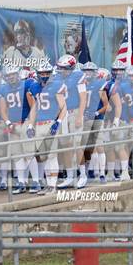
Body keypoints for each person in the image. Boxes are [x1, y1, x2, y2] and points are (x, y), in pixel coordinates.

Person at [27, 62, 67, 195]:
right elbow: (34, 108)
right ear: (38, 74)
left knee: (51, 156)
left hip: (50, 123)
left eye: (47, 74)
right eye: (42, 74)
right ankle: (49, 185)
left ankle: (52, 186)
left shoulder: (55, 86)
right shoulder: (34, 87)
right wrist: (30, 125)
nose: (44, 76)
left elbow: (63, 108)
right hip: (39, 124)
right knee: (43, 157)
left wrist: (58, 122)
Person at [0, 65, 40, 194]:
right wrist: (7, 122)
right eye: (9, 75)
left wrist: (30, 124)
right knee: (17, 155)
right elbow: (3, 109)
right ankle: (21, 182)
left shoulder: (26, 84)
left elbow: (33, 106)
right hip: (13, 124)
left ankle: (36, 181)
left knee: (29, 153)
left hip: (25, 121)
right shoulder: (4, 89)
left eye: (13, 74)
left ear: (18, 74)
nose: (11, 77)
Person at [55, 54, 85, 189]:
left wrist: (80, 116)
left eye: (64, 68)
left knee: (77, 145)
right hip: (63, 115)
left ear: (71, 67)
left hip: (75, 112)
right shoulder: (57, 78)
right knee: (66, 146)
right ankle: (70, 176)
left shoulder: (78, 76)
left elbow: (83, 99)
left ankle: (83, 175)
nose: (61, 70)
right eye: (60, 67)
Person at [78, 62, 109, 187]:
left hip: (97, 119)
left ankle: (102, 173)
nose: (87, 73)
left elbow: (107, 105)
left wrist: (96, 113)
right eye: (86, 71)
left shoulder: (99, 84)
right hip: (84, 119)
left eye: (90, 71)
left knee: (99, 146)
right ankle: (85, 171)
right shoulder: (81, 85)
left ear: (95, 73)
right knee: (85, 147)